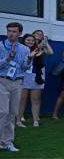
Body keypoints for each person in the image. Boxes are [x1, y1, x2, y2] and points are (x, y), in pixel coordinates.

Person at [1, 23, 36, 151]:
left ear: (20, 33)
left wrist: (29, 60)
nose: (11, 33)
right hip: (2, 81)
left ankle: (8, 142)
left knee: (12, 113)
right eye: (9, 31)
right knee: (2, 112)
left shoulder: (25, 49)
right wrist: (8, 58)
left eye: (14, 31)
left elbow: (24, 67)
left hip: (17, 82)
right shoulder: (0, 46)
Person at [16, 34, 45, 128]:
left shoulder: (37, 51)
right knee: (22, 100)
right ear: (24, 40)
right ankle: (18, 120)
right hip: (23, 76)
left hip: (35, 77)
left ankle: (35, 121)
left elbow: (41, 65)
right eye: (28, 40)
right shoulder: (19, 50)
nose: (30, 42)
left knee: (36, 99)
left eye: (32, 40)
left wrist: (39, 56)